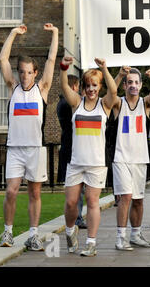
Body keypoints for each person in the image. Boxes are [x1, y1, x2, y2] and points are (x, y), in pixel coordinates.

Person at [0, 23, 58, 251]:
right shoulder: (12, 87)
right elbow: (3, 60)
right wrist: (13, 33)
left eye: (29, 71)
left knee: (35, 192)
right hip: (14, 149)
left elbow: (52, 60)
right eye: (21, 71)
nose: (24, 75)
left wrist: (54, 33)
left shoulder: (41, 88)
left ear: (35, 73)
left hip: (35, 150)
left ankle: (33, 235)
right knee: (11, 190)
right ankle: (8, 232)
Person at [60, 56, 118, 257]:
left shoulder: (106, 104)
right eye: (88, 85)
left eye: (95, 85)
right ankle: (69, 231)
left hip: (96, 164)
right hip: (76, 163)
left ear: (99, 86)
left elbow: (114, 91)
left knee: (93, 202)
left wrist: (105, 68)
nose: (91, 89)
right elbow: (64, 86)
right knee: (70, 203)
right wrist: (64, 68)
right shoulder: (77, 103)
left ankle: (91, 243)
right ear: (83, 87)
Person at [111, 65, 150, 250]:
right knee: (126, 196)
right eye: (129, 82)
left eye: (136, 82)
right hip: (121, 157)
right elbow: (110, 92)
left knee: (138, 199)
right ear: (124, 85)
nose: (133, 85)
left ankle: (135, 235)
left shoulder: (144, 104)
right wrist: (119, 75)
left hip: (140, 158)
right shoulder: (118, 103)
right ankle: (120, 237)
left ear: (140, 85)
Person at [57, 75, 87, 229]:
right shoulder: (69, 104)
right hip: (73, 148)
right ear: (74, 87)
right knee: (77, 188)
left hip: (67, 146)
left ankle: (76, 217)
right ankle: (77, 218)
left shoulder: (60, 103)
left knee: (75, 188)